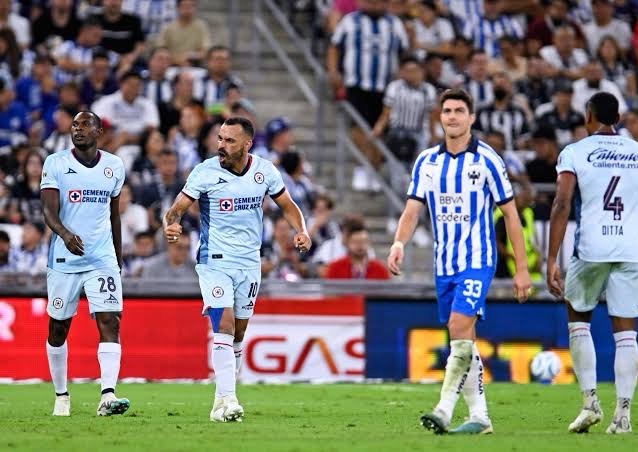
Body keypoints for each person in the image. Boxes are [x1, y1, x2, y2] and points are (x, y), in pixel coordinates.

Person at [387, 88, 532, 435]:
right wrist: (398, 243)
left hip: (477, 260)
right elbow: (412, 209)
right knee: (462, 339)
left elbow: (511, 215)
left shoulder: (487, 160)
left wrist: (522, 269)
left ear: (471, 117)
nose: (452, 116)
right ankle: (480, 416)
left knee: (457, 328)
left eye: (458, 110)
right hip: (444, 265)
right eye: (447, 111)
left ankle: (444, 408)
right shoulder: (427, 161)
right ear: (440, 117)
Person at [162, 116, 311, 422]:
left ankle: (221, 402)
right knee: (225, 325)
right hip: (214, 260)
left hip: (249, 262)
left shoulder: (264, 171)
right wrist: (173, 224)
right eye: (220, 138)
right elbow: (176, 208)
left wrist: (302, 230)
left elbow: (287, 205)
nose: (221, 145)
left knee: (239, 333)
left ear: (247, 144)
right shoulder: (204, 172)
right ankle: (229, 399)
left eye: (229, 141)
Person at [546, 92, 638, 434]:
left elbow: (561, 204)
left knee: (577, 321)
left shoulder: (575, 152)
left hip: (590, 250)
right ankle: (623, 416)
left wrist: (552, 259)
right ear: (618, 118)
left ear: (588, 115)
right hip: (629, 251)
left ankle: (590, 404)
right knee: (626, 334)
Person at [40, 110, 129, 417]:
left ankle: (107, 395)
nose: (77, 129)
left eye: (84, 125)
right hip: (65, 259)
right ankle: (61, 395)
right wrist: (64, 234)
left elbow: (114, 215)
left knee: (110, 321)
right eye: (74, 125)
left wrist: (117, 262)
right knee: (58, 328)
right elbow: (48, 211)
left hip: (101, 258)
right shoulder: (56, 163)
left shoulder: (114, 166)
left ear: (98, 131)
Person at [324, 222, 389, 280]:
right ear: (347, 243)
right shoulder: (335, 268)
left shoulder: (380, 269)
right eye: (355, 242)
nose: (360, 245)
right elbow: (329, 292)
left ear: (368, 243)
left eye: (363, 241)